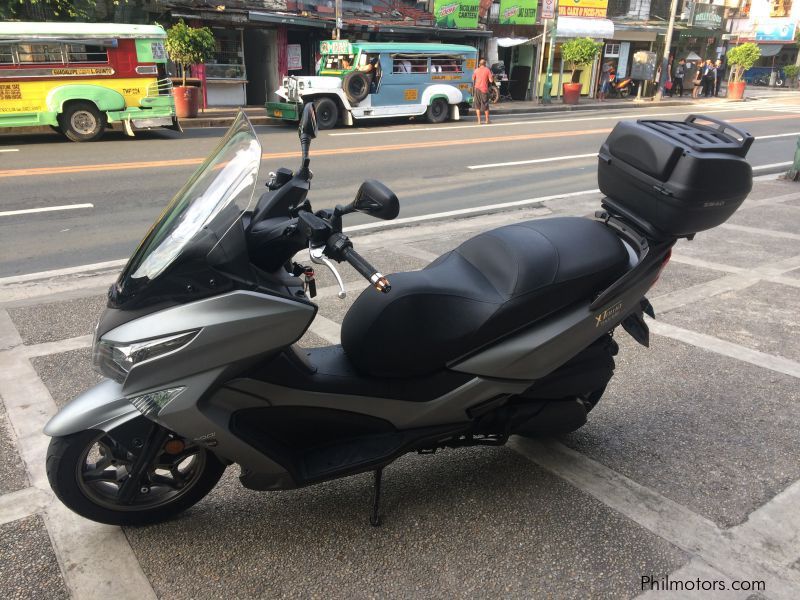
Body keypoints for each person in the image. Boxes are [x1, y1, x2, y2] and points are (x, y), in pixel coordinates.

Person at [472, 58, 493, 125]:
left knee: (477, 105)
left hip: (477, 89)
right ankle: (487, 120)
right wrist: (491, 76)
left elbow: (473, 78)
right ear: (485, 64)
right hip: (484, 89)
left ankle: (479, 121)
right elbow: (491, 81)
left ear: (479, 64)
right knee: (485, 105)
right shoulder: (487, 70)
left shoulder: (476, 70)